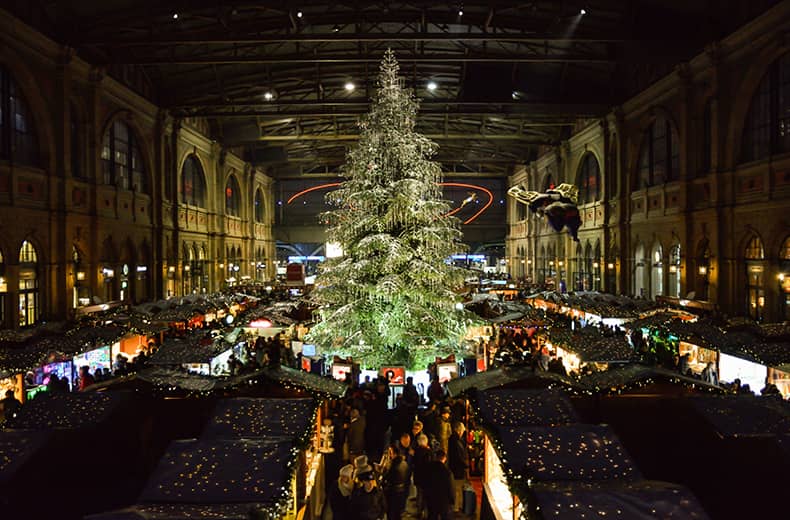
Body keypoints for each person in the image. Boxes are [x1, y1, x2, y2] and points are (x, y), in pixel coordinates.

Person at [382, 443, 411, 520]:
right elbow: (408, 478)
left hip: (392, 492)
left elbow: (387, 477)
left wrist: (384, 470)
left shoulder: (393, 465)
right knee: (398, 514)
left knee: (391, 513)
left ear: (393, 453)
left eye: (390, 452)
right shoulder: (405, 463)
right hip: (402, 491)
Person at [424, 450, 454, 520]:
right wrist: (452, 499)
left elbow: (425, 482)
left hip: (430, 498)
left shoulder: (429, 468)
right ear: (444, 458)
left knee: (432, 516)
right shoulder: (447, 471)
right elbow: (450, 487)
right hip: (443, 500)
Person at [447, 421, 469, 512]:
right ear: (459, 431)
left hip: (455, 467)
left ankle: (456, 506)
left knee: (456, 488)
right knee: (457, 488)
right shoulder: (456, 441)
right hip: (457, 469)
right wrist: (465, 465)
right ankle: (456, 507)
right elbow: (458, 456)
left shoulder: (453, 439)